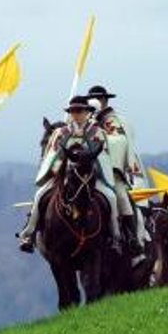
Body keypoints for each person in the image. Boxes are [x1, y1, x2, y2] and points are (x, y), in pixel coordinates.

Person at [19, 96, 122, 252]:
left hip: (90, 176)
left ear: (87, 112)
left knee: (112, 198)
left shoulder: (98, 132)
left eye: (79, 110)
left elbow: (103, 156)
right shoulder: (61, 133)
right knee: (40, 195)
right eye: (73, 111)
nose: (76, 114)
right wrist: (60, 167)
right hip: (64, 176)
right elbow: (52, 154)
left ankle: (115, 236)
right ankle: (29, 233)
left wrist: (90, 163)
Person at [88, 85, 146, 253]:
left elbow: (119, 142)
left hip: (111, 172)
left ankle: (132, 236)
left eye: (99, 99)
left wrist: (99, 136)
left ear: (105, 100)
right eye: (94, 99)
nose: (97, 102)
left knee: (120, 195)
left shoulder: (114, 121)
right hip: (86, 171)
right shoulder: (83, 120)